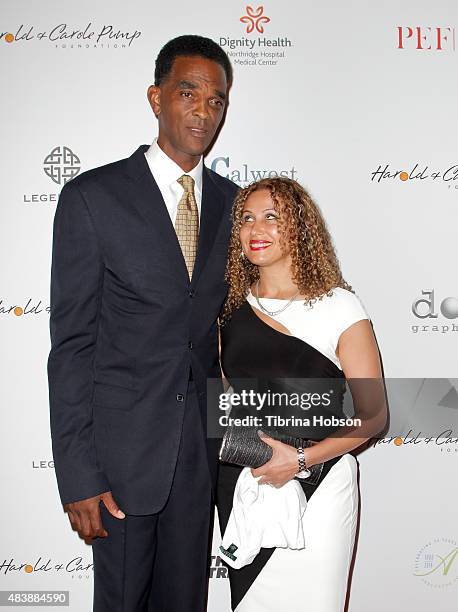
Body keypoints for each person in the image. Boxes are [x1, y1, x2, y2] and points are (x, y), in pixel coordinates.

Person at [47, 35, 238, 612]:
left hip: (200, 461)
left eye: (218, 100)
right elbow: (72, 347)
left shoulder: (235, 204)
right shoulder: (92, 198)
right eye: (189, 93)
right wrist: (78, 475)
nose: (204, 111)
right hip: (120, 464)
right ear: (156, 98)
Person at [217, 177, 387, 611]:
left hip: (321, 483)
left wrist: (300, 460)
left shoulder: (338, 306)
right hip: (247, 484)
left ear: (300, 228)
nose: (257, 230)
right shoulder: (229, 310)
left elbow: (374, 416)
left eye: (272, 217)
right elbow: (223, 401)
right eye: (247, 219)